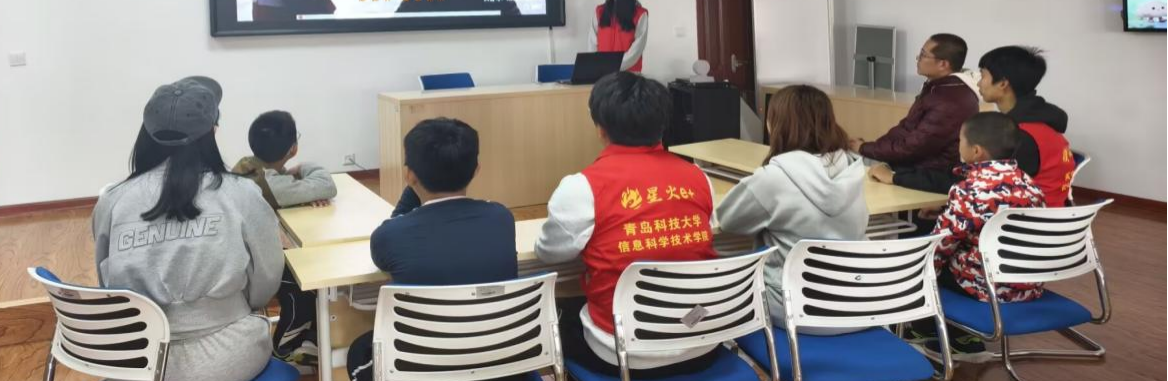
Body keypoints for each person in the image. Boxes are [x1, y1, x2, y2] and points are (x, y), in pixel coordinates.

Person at [92, 77, 284, 381]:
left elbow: (108, 283)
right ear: (212, 132)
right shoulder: (242, 194)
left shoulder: (111, 201)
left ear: (145, 134)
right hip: (227, 356)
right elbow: (266, 281)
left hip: (137, 361)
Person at [535, 72, 720, 376]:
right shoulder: (699, 177)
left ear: (600, 128)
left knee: (562, 317)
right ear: (663, 124)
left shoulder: (582, 187)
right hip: (702, 342)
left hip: (624, 356)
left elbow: (548, 254)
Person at [346, 118, 525, 381]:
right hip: (500, 362)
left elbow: (396, 231)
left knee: (358, 351)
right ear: (476, 170)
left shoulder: (389, 236)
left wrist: (415, 184)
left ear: (409, 175)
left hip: (422, 368)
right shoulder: (501, 218)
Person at [717, 84, 868, 329]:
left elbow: (728, 221)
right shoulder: (851, 169)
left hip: (796, 311)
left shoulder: (773, 178)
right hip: (859, 307)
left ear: (778, 125)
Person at [921, 112, 1046, 355]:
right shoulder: (1031, 186)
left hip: (985, 288)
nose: (958, 145)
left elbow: (940, 246)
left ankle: (942, 335)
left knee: (926, 262)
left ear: (976, 151)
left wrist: (913, 271)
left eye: (960, 140)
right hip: (1028, 285)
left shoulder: (968, 190)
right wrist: (949, 210)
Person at [232, 110, 338, 370]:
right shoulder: (274, 184)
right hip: (251, 269)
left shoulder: (245, 167)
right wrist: (302, 170)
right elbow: (327, 185)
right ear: (293, 149)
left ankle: (307, 335)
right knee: (303, 274)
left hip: (238, 258)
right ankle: (287, 346)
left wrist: (295, 188)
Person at [855, 33, 980, 194]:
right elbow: (906, 127)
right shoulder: (939, 87)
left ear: (943, 64)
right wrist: (872, 147)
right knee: (853, 159)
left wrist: (864, 148)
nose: (917, 59)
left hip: (928, 173)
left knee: (854, 166)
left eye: (923, 55)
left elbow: (913, 147)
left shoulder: (949, 101)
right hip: (915, 163)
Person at [977, 46, 1075, 207]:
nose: (979, 83)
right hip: (1052, 212)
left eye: (982, 76)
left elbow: (988, 185)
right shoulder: (1040, 121)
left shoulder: (1020, 135)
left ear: (1003, 83)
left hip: (1028, 217)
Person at [588, 0, 648, 72]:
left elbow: (637, 49)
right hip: (603, 73)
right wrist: (597, 65)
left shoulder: (640, 14)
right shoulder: (600, 11)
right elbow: (592, 42)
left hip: (629, 73)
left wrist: (615, 66)